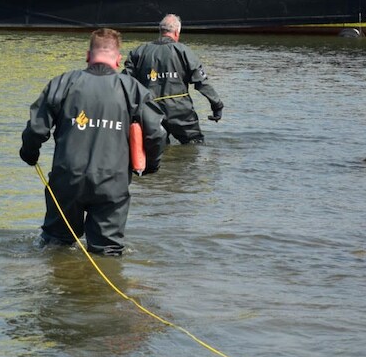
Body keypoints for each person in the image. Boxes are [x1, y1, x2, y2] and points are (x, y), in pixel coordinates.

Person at [19, 28, 166, 256]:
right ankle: (100, 289)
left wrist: (29, 153)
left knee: (55, 245)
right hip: (112, 184)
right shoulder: (133, 90)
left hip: (67, 179)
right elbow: (156, 134)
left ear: (88, 56)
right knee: (107, 252)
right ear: (118, 60)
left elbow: (36, 129)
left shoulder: (63, 83)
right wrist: (151, 165)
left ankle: (54, 289)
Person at [124, 14, 224, 145]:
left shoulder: (138, 52)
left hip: (150, 112)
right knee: (195, 146)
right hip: (181, 112)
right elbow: (201, 82)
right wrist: (217, 105)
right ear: (177, 32)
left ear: (160, 31)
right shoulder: (184, 51)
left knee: (158, 150)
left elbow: (125, 83)